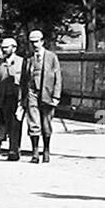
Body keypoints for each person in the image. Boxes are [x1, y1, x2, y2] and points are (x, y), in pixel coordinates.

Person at [19, 29, 62, 163]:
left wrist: (56, 96)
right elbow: (23, 80)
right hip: (32, 93)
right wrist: (22, 99)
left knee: (46, 124)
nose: (35, 45)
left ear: (42, 41)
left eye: (37, 42)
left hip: (47, 95)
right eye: (32, 42)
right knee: (33, 123)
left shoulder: (51, 57)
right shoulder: (28, 58)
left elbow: (58, 78)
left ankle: (47, 150)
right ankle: (35, 152)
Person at [0, 37, 25, 160]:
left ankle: (14, 150)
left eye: (6, 47)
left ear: (14, 48)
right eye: (3, 48)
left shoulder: (21, 62)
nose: (4, 50)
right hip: (3, 98)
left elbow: (26, 81)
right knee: (6, 124)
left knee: (16, 124)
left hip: (17, 98)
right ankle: (8, 146)